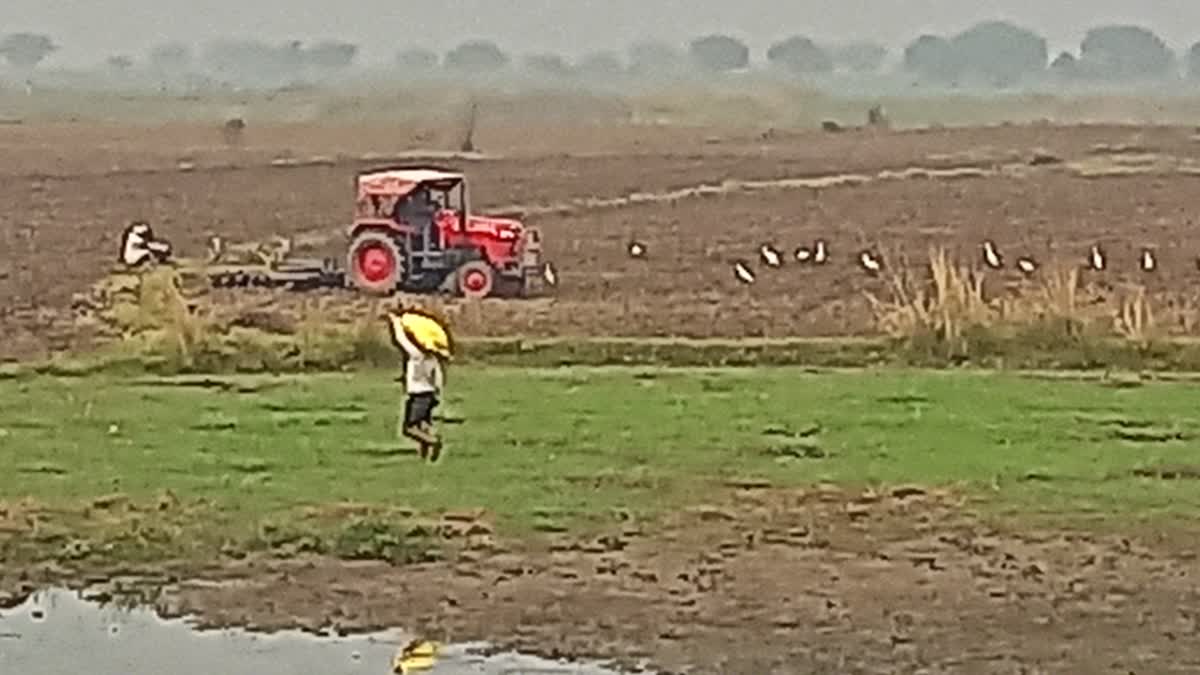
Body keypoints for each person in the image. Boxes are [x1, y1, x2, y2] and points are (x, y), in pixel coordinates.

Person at [391, 313, 447, 462]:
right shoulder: (434, 358)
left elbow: (401, 340)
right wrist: (437, 394)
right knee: (423, 425)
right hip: (429, 394)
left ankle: (434, 442)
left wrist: (397, 323)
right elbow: (439, 379)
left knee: (409, 428)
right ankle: (424, 457)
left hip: (418, 395)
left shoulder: (417, 355)